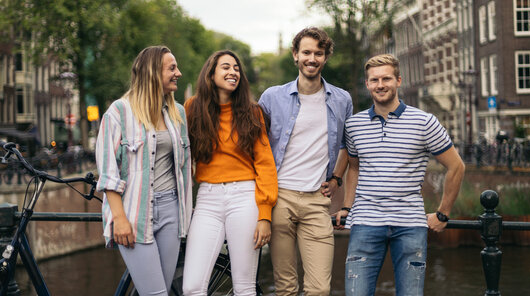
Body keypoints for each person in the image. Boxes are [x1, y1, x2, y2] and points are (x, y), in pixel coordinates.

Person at [335, 54, 465, 296]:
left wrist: (443, 213)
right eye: (374, 80)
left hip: (409, 224)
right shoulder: (353, 125)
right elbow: (354, 167)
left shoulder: (424, 122)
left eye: (386, 78)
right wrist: (346, 206)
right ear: (367, 84)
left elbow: (456, 166)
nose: (380, 85)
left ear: (398, 80)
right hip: (366, 221)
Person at [258, 27, 353, 295]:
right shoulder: (271, 97)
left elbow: (346, 145)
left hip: (316, 201)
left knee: (320, 289)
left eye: (319, 53)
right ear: (295, 55)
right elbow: (257, 146)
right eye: (307, 52)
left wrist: (336, 178)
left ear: (325, 57)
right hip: (280, 198)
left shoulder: (342, 99)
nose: (312, 58)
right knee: (286, 287)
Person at [95, 46, 193, 296]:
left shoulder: (177, 113)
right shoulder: (118, 112)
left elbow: (183, 167)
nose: (178, 73)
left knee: (161, 290)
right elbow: (108, 173)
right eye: (172, 68)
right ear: (152, 72)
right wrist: (119, 219)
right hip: (134, 214)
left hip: (172, 211)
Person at [182, 50, 278, 296]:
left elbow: (265, 164)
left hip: (244, 197)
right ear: (211, 73)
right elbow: (181, 154)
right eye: (226, 67)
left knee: (244, 286)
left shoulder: (251, 111)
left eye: (236, 68)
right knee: (192, 286)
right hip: (207, 198)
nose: (233, 72)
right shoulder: (192, 108)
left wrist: (265, 215)